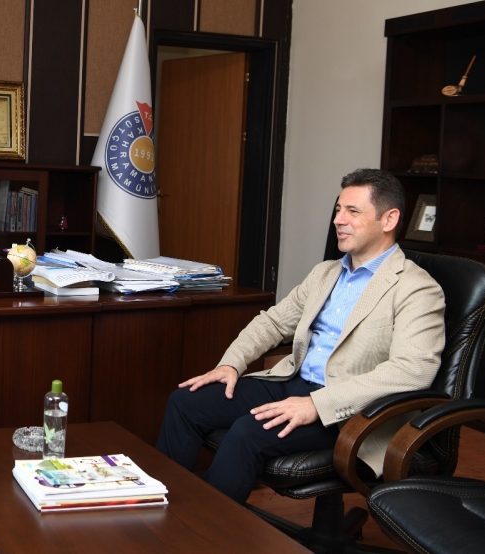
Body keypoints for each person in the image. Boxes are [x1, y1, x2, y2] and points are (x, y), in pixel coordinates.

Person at [156, 168, 445, 504]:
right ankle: (158, 507)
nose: (339, 220)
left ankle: (205, 528)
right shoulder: (325, 273)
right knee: (186, 402)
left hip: (349, 412)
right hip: (292, 380)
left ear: (389, 219)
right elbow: (273, 323)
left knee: (248, 432)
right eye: (338, 210)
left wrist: (317, 404)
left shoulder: (417, 288)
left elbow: (412, 370)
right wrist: (231, 364)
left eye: (353, 211)